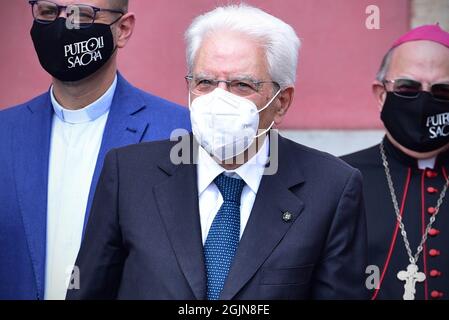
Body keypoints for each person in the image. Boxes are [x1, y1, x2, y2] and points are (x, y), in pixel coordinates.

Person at [67, 4, 367, 300]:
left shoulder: (331, 189)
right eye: (205, 82)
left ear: (282, 101)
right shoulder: (129, 175)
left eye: (242, 84)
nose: (219, 98)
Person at [0, 0, 190, 300]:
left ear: (123, 29)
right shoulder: (4, 132)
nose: (63, 26)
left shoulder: (180, 133)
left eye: (81, 15)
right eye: (49, 12)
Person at [342, 25, 449, 300]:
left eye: (443, 91)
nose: (424, 100)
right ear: (381, 94)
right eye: (407, 87)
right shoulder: (339, 180)